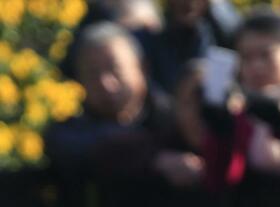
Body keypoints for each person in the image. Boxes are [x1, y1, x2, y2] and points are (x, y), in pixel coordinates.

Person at [45, 22, 185, 183]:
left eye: (115, 69)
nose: (106, 83)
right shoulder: (70, 133)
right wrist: (152, 159)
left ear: (142, 68)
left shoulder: (175, 121)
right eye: (92, 74)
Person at [201, 7, 280, 186]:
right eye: (247, 58)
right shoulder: (242, 111)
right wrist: (220, 133)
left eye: (266, 55)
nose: (256, 66)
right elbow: (219, 180)